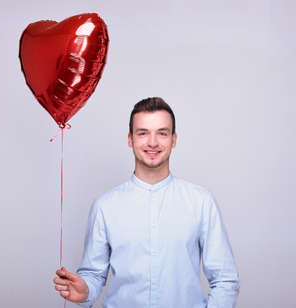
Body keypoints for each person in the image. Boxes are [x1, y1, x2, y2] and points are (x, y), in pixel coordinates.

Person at [53, 97, 240, 307]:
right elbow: (93, 274)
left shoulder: (202, 203)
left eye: (162, 133)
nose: (152, 143)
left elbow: (225, 279)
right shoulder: (105, 206)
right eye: (143, 133)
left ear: (174, 140)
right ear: (130, 139)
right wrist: (85, 290)